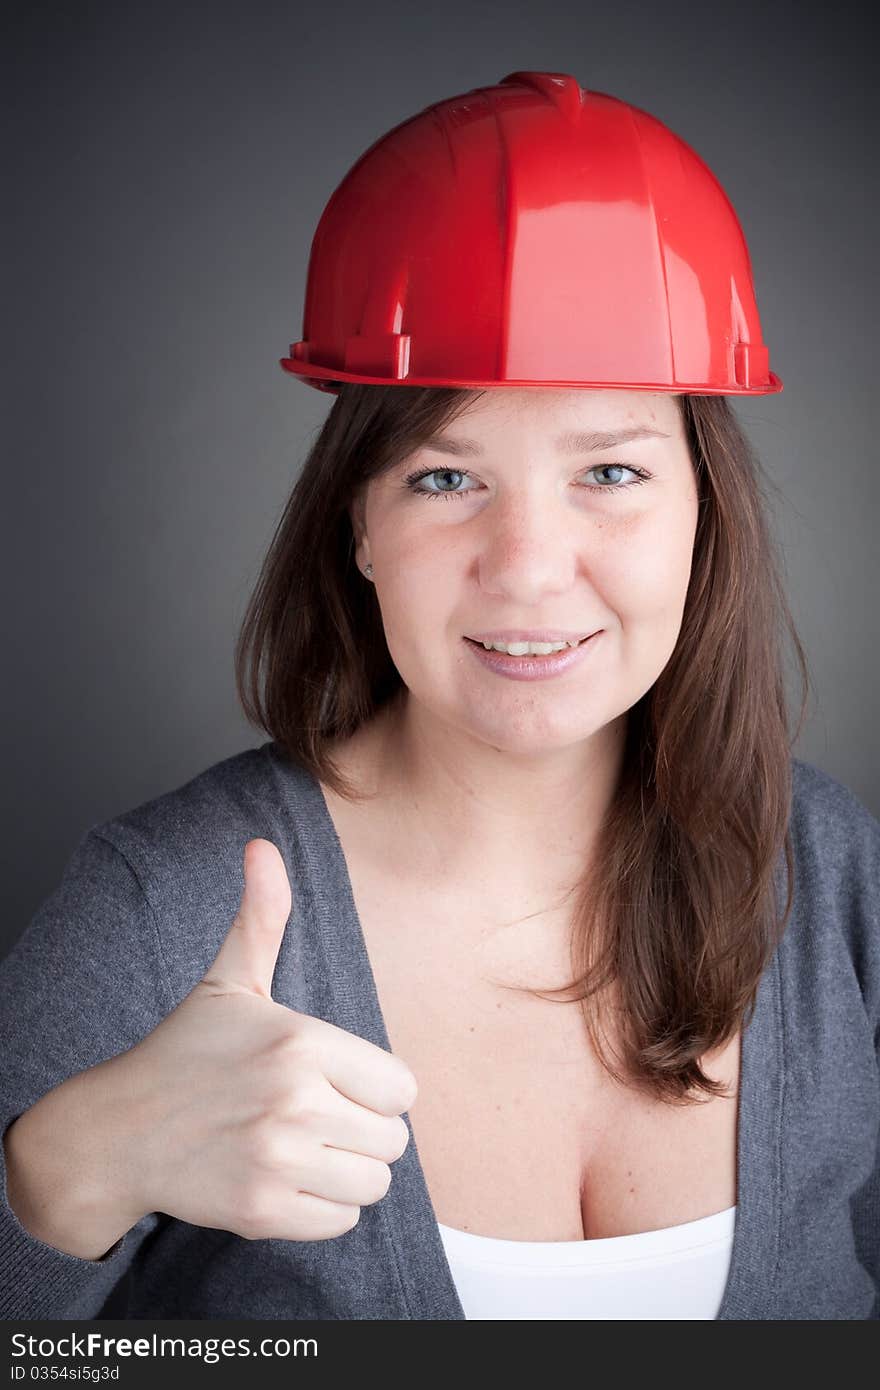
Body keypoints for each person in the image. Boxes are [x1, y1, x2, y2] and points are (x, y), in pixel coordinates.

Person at [1, 71, 878, 1323]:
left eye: (612, 469)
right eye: (444, 479)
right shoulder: (161, 909)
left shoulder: (832, 872)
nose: (526, 567)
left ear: (704, 518)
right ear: (356, 523)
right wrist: (64, 1169)